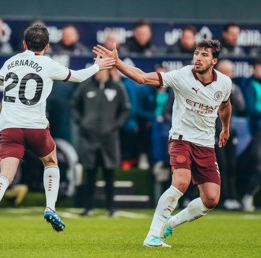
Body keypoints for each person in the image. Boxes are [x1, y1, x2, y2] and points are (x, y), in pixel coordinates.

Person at [0, 24, 115, 240]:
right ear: (47, 45)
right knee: (51, 162)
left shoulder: (10, 61)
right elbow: (77, 76)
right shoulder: (48, 63)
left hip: (10, 126)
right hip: (35, 126)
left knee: (5, 174)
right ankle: (50, 208)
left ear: (24, 43)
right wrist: (98, 66)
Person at [93, 39, 232, 247]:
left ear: (214, 60)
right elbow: (142, 77)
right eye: (196, 53)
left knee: (211, 199)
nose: (198, 58)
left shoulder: (224, 82)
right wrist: (118, 63)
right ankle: (153, 235)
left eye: (204, 55)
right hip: (181, 139)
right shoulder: (181, 76)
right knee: (181, 182)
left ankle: (172, 223)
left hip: (205, 145)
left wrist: (226, 128)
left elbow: (225, 105)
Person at [71, 68, 130, 217]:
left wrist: (115, 125)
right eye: (98, 70)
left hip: (109, 139)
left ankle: (111, 208)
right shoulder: (85, 87)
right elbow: (74, 105)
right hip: (88, 138)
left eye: (104, 70)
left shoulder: (117, 88)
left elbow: (125, 109)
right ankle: (88, 207)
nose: (100, 74)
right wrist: (81, 122)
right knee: (89, 174)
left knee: (109, 174)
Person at [215, 60, 246, 210]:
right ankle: (222, 198)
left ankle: (232, 197)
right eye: (223, 72)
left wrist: (231, 90)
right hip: (215, 132)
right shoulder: (212, 87)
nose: (227, 75)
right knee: (221, 166)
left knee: (232, 166)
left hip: (229, 131)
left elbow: (241, 106)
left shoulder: (235, 88)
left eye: (229, 72)